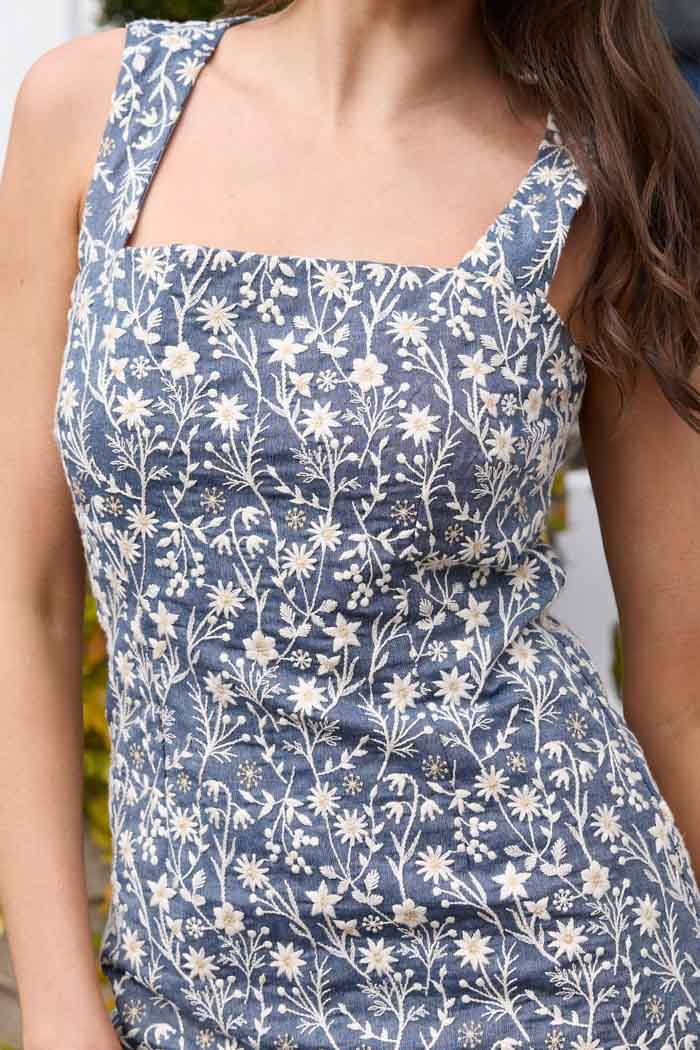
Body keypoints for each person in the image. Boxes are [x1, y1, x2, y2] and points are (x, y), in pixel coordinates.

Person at [0, 1, 699, 1047]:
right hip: (195, 992)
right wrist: (56, 1004)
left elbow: (682, 694)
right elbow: (25, 595)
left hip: (553, 975)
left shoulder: (607, 176)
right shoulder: (93, 109)